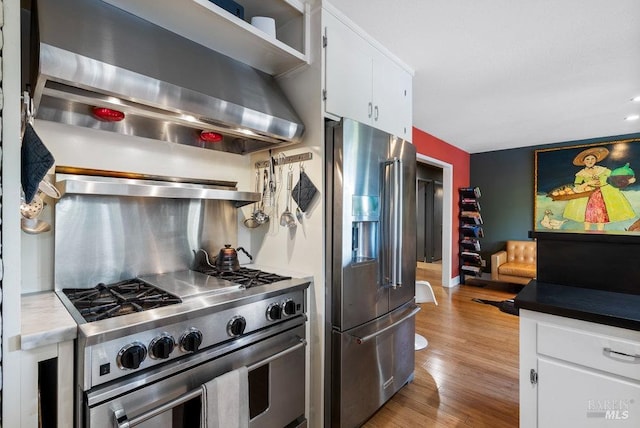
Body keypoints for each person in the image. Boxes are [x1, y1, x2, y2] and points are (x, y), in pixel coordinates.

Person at [563, 146, 636, 231]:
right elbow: (577, 187)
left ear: (596, 160)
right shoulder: (580, 174)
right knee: (587, 214)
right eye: (587, 159)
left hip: (605, 193)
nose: (590, 161)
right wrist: (588, 183)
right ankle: (586, 233)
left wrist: (627, 181)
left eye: (592, 159)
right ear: (583, 161)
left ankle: (601, 234)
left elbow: (615, 178)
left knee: (601, 214)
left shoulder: (604, 170)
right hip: (588, 195)